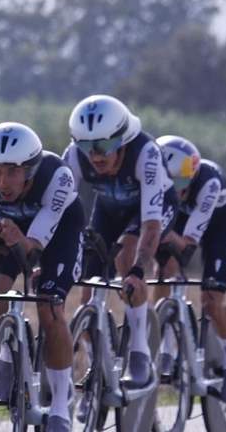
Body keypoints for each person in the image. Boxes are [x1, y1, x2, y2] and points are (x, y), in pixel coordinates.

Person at [0, 122, 84, 432]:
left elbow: (34, 247)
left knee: (48, 305)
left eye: (14, 172)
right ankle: (8, 351)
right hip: (10, 228)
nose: (3, 181)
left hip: (57, 231)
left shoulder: (58, 177)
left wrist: (24, 244)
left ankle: (60, 407)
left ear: (30, 169)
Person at [62, 94, 176, 393]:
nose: (95, 156)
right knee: (88, 291)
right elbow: (59, 212)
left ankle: (139, 352)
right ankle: (97, 368)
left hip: (152, 209)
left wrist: (140, 269)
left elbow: (151, 223)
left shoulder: (145, 154)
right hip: (109, 210)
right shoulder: (73, 157)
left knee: (126, 256)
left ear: (123, 139)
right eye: (87, 146)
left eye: (104, 146)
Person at [154, 135, 226, 401]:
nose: (173, 190)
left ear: (191, 177)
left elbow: (188, 245)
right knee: (163, 271)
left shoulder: (209, 184)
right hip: (182, 217)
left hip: (218, 224)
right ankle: (166, 346)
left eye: (180, 183)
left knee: (212, 299)